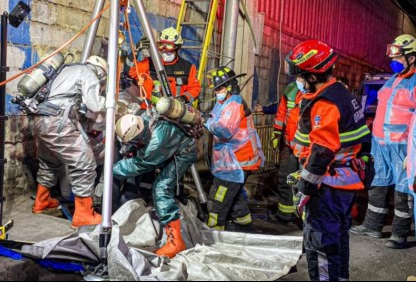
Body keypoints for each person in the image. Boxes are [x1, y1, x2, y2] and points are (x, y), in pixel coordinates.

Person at [285, 39, 371, 281]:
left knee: (320, 245)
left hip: (328, 186)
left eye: (299, 75)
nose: (297, 80)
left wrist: (306, 186)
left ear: (312, 76)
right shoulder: (339, 92)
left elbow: (322, 151)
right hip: (344, 182)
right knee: (337, 242)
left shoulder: (325, 103)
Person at [350, 34, 416, 249]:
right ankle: (372, 226)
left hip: (403, 145)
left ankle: (399, 234)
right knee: (378, 182)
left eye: (399, 55)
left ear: (412, 57)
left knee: (403, 189)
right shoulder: (393, 79)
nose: (393, 59)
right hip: (381, 142)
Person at [31, 55, 107, 229]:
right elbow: (94, 104)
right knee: (85, 163)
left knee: (50, 160)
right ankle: (83, 214)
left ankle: (41, 201)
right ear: (102, 73)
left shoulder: (65, 69)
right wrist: (113, 104)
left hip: (40, 120)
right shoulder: (88, 73)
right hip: (58, 122)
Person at [113, 113, 198, 258]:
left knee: (161, 188)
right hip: (171, 143)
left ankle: (176, 242)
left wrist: (110, 170)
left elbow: (137, 166)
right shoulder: (143, 118)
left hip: (184, 152)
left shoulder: (155, 144)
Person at [203, 66, 265, 231]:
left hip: (237, 161)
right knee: (235, 193)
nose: (217, 92)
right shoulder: (224, 102)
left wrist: (205, 122)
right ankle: (242, 221)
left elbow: (224, 130)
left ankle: (215, 227)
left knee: (219, 196)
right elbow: (214, 117)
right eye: (216, 89)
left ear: (230, 87)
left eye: (220, 88)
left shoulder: (234, 103)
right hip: (234, 158)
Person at [128, 27, 201, 107]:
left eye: (169, 45)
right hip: (149, 110)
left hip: (174, 110)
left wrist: (184, 98)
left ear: (177, 47)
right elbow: (129, 71)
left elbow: (195, 89)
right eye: (161, 45)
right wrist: (135, 51)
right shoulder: (149, 63)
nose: (164, 49)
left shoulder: (187, 68)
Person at [268, 81, 303, 226]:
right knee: (285, 179)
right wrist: (276, 133)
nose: (300, 80)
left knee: (306, 184)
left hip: (308, 149)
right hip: (290, 145)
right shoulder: (290, 89)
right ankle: (284, 215)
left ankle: (304, 219)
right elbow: (281, 114)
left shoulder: (320, 91)